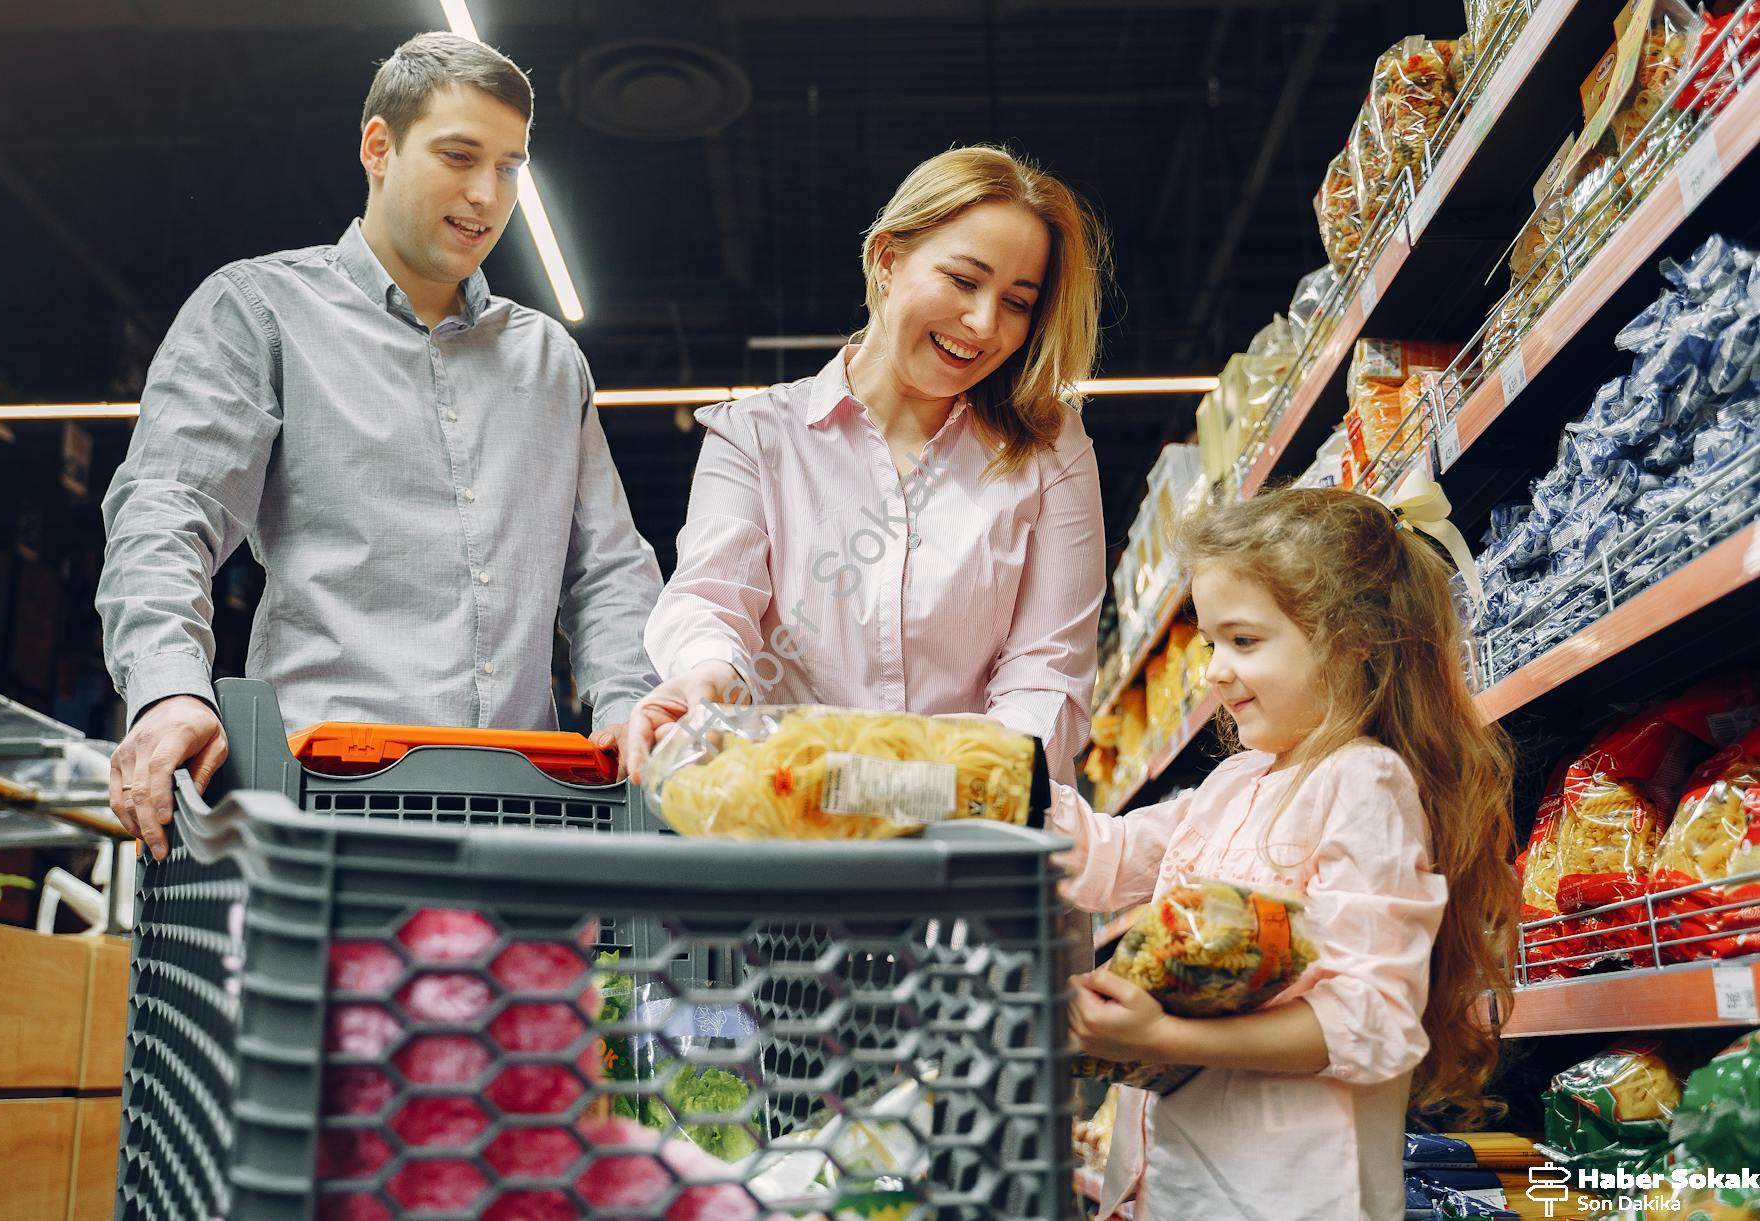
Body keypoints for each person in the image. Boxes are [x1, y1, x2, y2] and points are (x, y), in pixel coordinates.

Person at [98, 32, 662, 857]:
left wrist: (630, 706)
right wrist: (169, 691)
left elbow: (607, 569)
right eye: (459, 155)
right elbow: (167, 511)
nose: (486, 194)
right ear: (378, 147)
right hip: (319, 815)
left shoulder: (548, 361)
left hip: (526, 821)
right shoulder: (260, 313)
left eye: (509, 167)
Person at [1053, 487, 1517, 1221]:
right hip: (1173, 1188)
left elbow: (1370, 1018)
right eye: (1210, 643)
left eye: (1244, 641)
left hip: (1289, 1195)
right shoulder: (1233, 783)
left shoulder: (1363, 783)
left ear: (1356, 640)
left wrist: (1161, 1036)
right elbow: (1101, 855)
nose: (1213, 671)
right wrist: (987, 770)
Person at [621, 145, 1109, 785]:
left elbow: (1048, 670)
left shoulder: (1048, 448)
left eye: (1018, 302)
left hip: (976, 838)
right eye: (964, 280)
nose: (985, 323)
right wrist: (709, 671)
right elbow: (711, 597)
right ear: (886, 260)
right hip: (794, 824)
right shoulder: (756, 437)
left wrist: (938, 786)